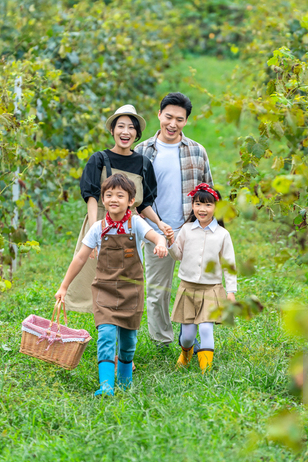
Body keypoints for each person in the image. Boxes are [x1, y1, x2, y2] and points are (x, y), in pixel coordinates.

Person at [55, 174, 168, 396]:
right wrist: (64, 286)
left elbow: (156, 236)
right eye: (108, 195)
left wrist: (162, 244)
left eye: (120, 195)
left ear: (131, 201)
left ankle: (125, 383)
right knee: (106, 335)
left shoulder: (136, 223)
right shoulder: (98, 227)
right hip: (104, 290)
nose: (113, 199)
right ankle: (106, 386)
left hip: (131, 291)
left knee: (128, 341)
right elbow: (79, 258)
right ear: (103, 201)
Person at [65, 104, 172, 314]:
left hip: (129, 226)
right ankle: (96, 319)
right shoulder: (99, 159)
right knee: (89, 273)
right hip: (102, 221)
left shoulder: (143, 163)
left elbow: (144, 203)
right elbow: (92, 197)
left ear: (137, 134)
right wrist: (95, 228)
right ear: (112, 130)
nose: (125, 132)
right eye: (120, 126)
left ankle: (119, 318)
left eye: (131, 128)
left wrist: (159, 224)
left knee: (123, 276)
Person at [134, 92, 213, 347]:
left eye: (179, 119)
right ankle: (162, 340)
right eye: (168, 117)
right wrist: (151, 227)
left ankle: (191, 336)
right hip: (155, 230)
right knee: (158, 291)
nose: (173, 123)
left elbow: (207, 191)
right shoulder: (142, 151)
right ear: (159, 115)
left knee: (196, 287)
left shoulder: (197, 151)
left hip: (189, 228)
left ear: (186, 121)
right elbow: (133, 196)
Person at [167, 183, 236, 373]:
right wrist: (171, 242)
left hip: (211, 289)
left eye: (208, 205)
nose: (202, 209)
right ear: (192, 206)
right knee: (187, 336)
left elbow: (229, 265)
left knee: (206, 329)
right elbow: (178, 255)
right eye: (198, 204)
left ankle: (206, 370)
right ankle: (185, 354)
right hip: (188, 288)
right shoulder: (187, 230)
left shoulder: (222, 235)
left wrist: (231, 291)